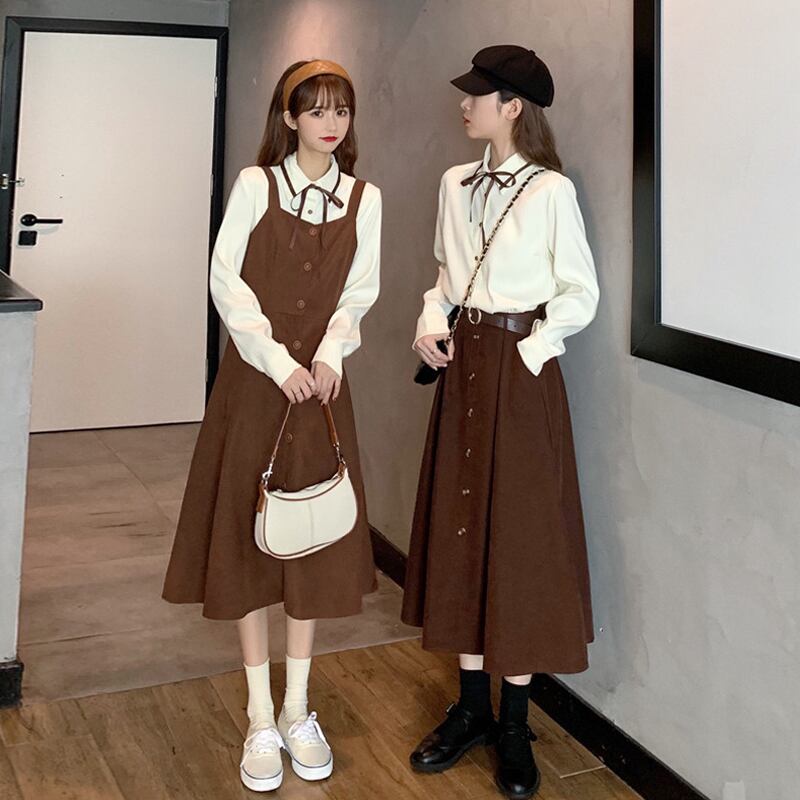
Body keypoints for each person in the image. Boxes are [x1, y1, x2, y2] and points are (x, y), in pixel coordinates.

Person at [162, 59, 382, 792]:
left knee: (310, 536)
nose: (330, 123)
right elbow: (226, 281)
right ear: (289, 118)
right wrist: (277, 361)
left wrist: (328, 355)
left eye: (341, 111)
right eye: (315, 110)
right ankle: (260, 715)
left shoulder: (366, 199)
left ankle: (297, 709)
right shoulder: (256, 185)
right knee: (248, 540)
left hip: (321, 387)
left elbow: (360, 291)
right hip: (257, 386)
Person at [401, 45, 599, 800]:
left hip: (521, 373)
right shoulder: (454, 183)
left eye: (478, 94)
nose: (465, 104)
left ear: (512, 107)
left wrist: (532, 351)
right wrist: (430, 323)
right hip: (465, 371)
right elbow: (446, 279)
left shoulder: (551, 191)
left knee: (519, 538)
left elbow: (579, 292)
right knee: (463, 526)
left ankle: (514, 723)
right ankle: (471, 710)